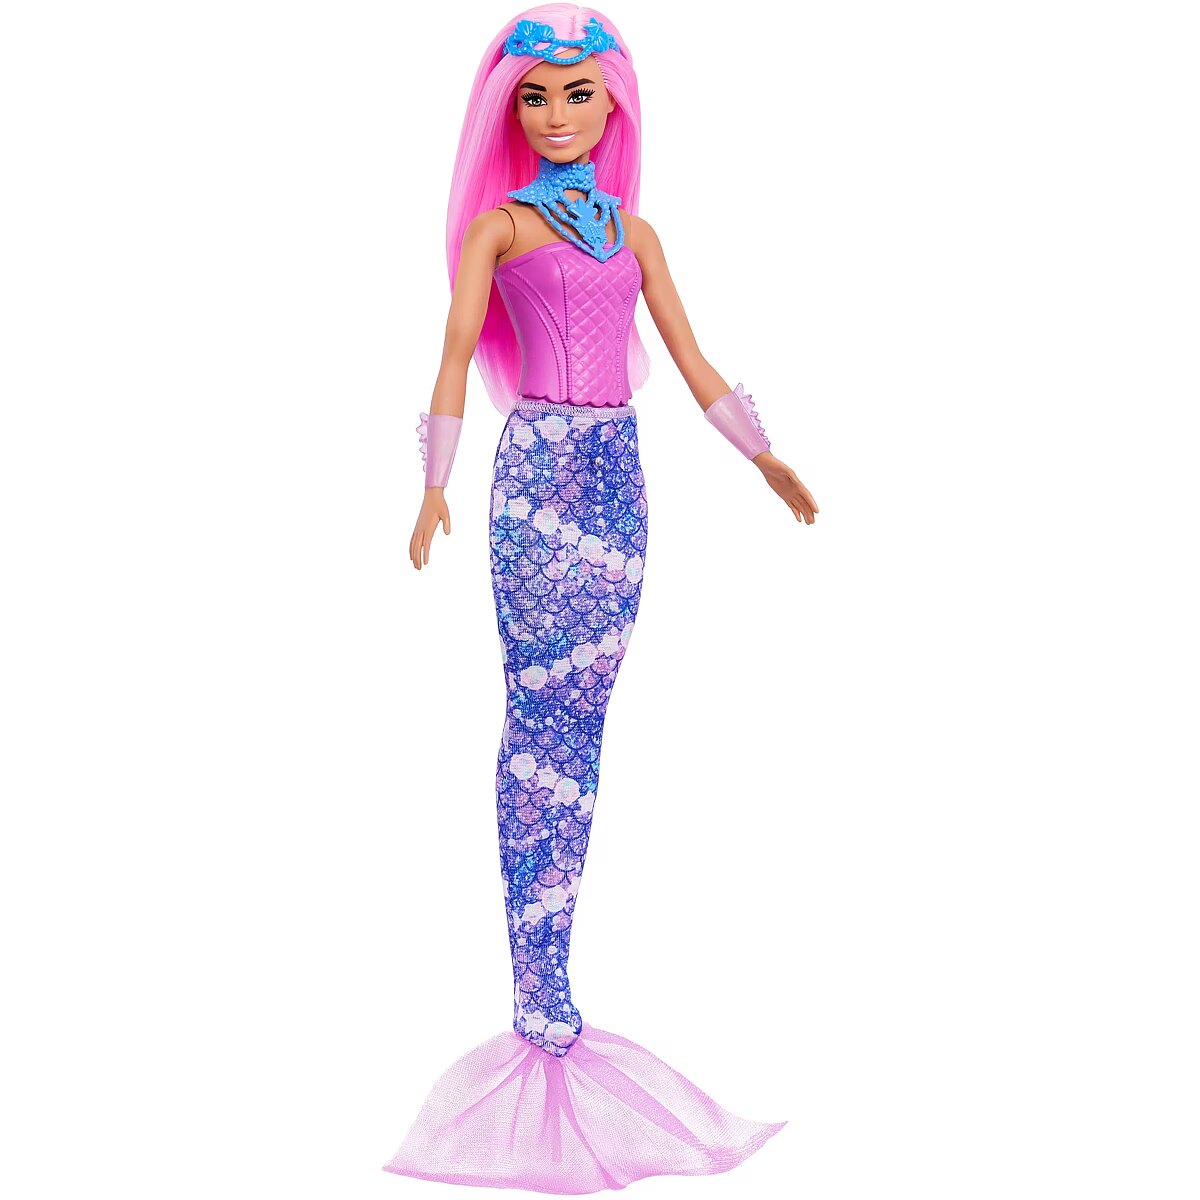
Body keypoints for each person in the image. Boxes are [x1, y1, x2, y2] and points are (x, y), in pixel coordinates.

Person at [385, 7, 818, 1192]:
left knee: (588, 720)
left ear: (613, 104)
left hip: (618, 481)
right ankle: (540, 997)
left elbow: (691, 357)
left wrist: (764, 456)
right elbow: (452, 352)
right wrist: (434, 486)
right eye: (536, 96)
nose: (557, 114)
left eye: (578, 94)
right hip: (535, 478)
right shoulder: (498, 228)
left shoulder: (636, 233)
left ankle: (554, 981)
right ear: (508, 111)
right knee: (539, 721)